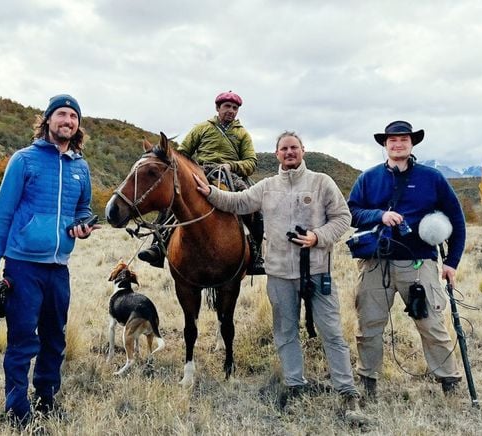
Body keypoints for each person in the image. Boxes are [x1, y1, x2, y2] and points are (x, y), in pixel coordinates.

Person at [193, 131, 366, 420]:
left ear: (303, 150)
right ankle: (295, 385)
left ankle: (347, 392)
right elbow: (237, 202)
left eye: (294, 147)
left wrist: (317, 237)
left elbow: (343, 218)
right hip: (279, 274)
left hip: (317, 271)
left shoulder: (322, 182)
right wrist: (209, 192)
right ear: (276, 154)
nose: (289, 152)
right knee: (286, 333)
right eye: (284, 148)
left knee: (332, 333)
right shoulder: (266, 187)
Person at [0, 93, 98, 424]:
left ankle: (47, 398)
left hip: (59, 266)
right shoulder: (24, 160)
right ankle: (17, 410)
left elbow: (83, 209)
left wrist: (82, 227)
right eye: (61, 114)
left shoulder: (80, 166)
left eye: (73, 116)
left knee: (55, 338)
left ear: (78, 125)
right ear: (47, 120)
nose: (68, 121)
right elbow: (2, 212)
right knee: (22, 339)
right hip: (22, 265)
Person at [347, 120, 466, 399]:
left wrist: (452, 262)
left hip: (419, 262)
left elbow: (457, 220)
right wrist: (379, 215)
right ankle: (367, 379)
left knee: (431, 323)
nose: (397, 144)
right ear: (385, 145)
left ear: (412, 143)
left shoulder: (432, 178)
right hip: (376, 261)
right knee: (369, 324)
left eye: (403, 139)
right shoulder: (368, 178)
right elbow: (351, 212)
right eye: (392, 140)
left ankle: (449, 380)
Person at [137, 91, 264, 274]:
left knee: (253, 206)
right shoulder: (202, 128)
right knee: (173, 198)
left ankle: (256, 255)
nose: (231, 111)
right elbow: (181, 154)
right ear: (217, 108)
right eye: (227, 106)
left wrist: (231, 165)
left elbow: (251, 162)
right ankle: (158, 246)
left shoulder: (242, 134)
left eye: (235, 108)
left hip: (230, 175)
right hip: (200, 172)